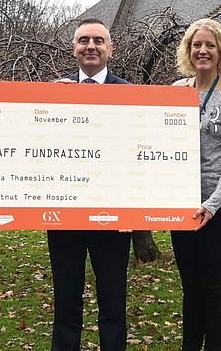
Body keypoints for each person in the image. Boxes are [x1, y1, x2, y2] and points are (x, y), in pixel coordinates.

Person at [47, 18, 132, 351]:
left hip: (113, 218)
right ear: (74, 49)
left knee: (113, 302)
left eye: (99, 40)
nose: (91, 46)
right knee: (66, 301)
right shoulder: (54, 92)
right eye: (84, 40)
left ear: (110, 49)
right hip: (64, 214)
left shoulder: (129, 94)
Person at [170, 18, 221, 351]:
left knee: (213, 285)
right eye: (196, 45)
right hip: (183, 207)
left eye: (209, 45)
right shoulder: (175, 91)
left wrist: (214, 203)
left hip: (219, 209)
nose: (202, 51)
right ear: (188, 50)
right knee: (190, 287)